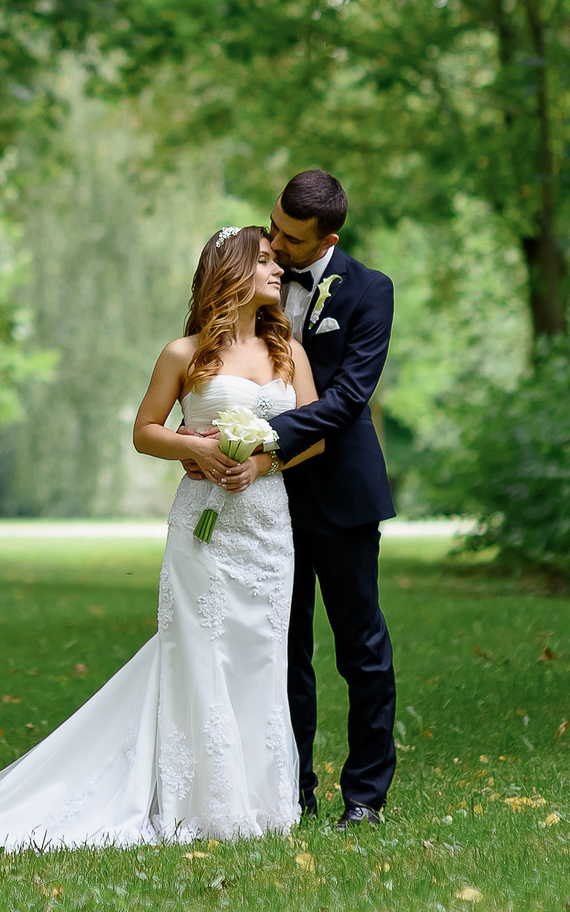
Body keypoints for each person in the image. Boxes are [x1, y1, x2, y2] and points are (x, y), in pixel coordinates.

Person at [0, 225, 324, 853]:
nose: (276, 270)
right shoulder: (183, 354)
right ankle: (200, 801)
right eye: (264, 261)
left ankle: (260, 798)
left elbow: (312, 433)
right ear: (230, 272)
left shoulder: (288, 349)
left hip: (266, 522)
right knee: (201, 649)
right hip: (204, 528)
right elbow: (145, 431)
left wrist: (259, 461)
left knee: (263, 650)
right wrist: (195, 448)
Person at [183, 168, 396, 829]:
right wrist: (198, 432)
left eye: (290, 237)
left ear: (327, 236)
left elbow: (346, 401)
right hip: (260, 508)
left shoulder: (369, 292)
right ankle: (288, 789)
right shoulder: (260, 269)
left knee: (360, 647)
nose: (274, 242)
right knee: (277, 644)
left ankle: (364, 795)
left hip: (339, 493)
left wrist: (262, 439)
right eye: (271, 225)